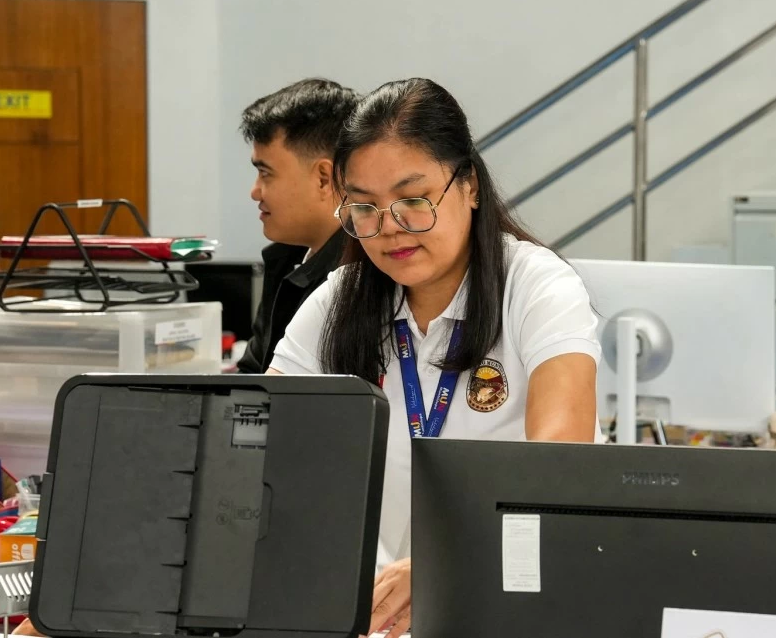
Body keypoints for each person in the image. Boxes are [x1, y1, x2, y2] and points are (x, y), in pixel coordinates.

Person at [269, 78, 602, 637]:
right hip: (371, 613)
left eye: (413, 199)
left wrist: (446, 566)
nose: (389, 228)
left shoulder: (538, 287)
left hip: (511, 602)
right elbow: (257, 437)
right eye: (364, 208)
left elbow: (560, 470)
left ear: (468, 185)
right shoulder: (341, 298)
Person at [235, 78, 359, 373]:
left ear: (323, 179)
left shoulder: (363, 276)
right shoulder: (284, 260)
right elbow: (252, 380)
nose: (255, 191)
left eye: (266, 174)